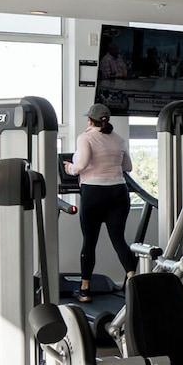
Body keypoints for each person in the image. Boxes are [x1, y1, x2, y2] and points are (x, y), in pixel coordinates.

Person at [64, 103, 136, 303]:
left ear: (90, 120)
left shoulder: (85, 137)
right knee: (119, 240)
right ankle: (135, 285)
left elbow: (81, 165)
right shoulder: (118, 139)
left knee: (89, 242)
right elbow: (128, 166)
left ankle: (84, 290)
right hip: (119, 192)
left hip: (94, 193)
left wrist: (69, 168)